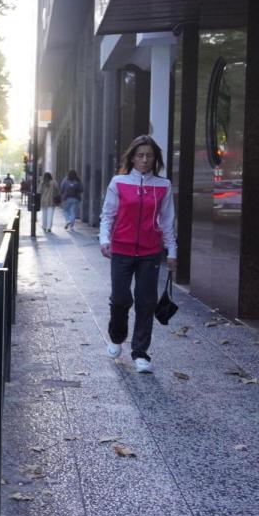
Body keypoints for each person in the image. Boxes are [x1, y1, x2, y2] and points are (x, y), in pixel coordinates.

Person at [99, 135, 177, 374]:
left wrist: (172, 251)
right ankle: (117, 336)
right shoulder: (119, 182)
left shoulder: (163, 186)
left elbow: (167, 221)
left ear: (155, 159)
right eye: (140, 155)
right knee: (120, 299)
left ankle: (140, 352)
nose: (144, 160)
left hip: (150, 252)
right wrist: (104, 240)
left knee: (146, 301)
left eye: (149, 156)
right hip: (121, 250)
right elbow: (108, 215)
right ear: (132, 157)